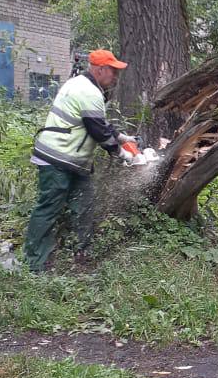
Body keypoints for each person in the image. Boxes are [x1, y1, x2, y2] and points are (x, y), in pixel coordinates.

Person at [23, 49, 136, 272]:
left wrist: (122, 137)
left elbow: (98, 122)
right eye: (113, 72)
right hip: (58, 158)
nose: (115, 77)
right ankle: (35, 264)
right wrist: (123, 155)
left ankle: (81, 252)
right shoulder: (89, 92)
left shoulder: (79, 84)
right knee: (48, 209)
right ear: (100, 69)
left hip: (74, 162)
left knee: (85, 206)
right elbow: (99, 132)